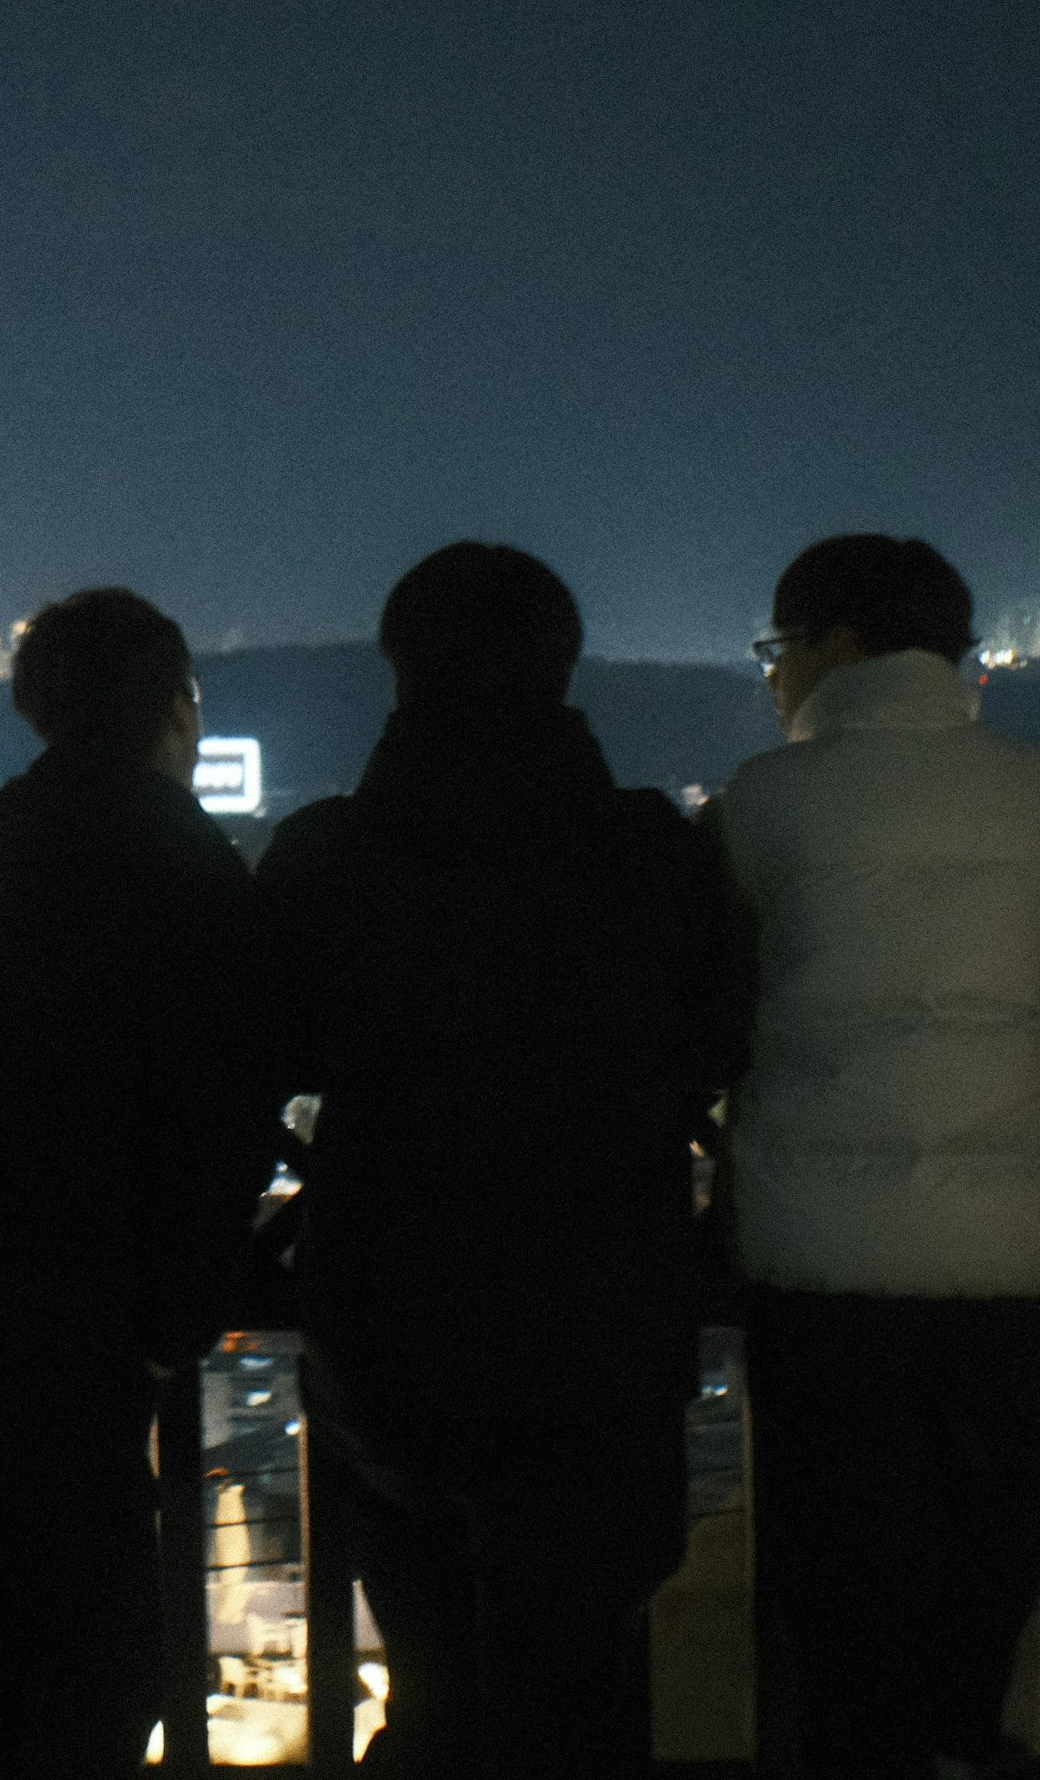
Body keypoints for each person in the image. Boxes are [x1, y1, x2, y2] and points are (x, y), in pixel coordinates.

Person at [257, 543, 732, 1778]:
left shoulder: (329, 857)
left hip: (393, 1321)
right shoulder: (651, 856)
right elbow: (722, 1034)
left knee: (434, 1683)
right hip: (603, 1317)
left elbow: (260, 1042)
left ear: (398, 669)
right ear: (565, 667)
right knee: (577, 1686)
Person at [715, 534, 1040, 1780]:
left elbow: (731, 972)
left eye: (778, 651)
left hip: (826, 1259)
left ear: (833, 645)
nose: (773, 679)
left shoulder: (762, 801)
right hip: (1022, 1249)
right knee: (986, 1577)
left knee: (843, 1598)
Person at [0, 587, 265, 1779]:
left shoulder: (16, 837)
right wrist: (170, 1323)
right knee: (100, 1659)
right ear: (178, 707)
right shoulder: (185, 861)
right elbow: (221, 1109)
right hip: (79, 1310)